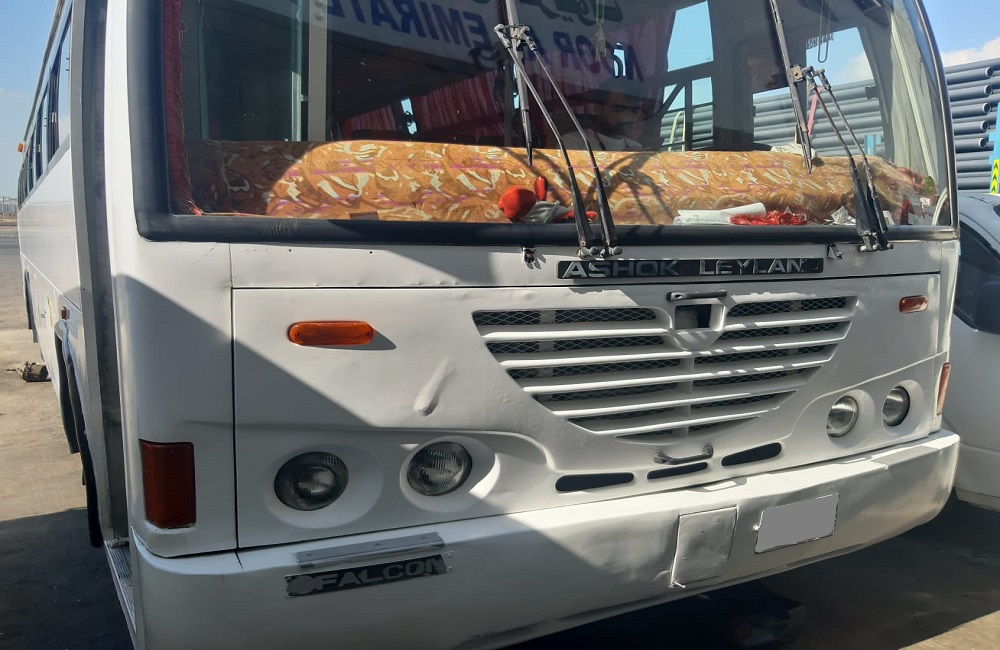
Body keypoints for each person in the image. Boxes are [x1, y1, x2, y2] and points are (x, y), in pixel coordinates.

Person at [561, 80, 647, 152]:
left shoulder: (636, 147)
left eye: (634, 111)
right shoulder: (573, 142)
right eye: (619, 109)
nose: (627, 118)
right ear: (598, 108)